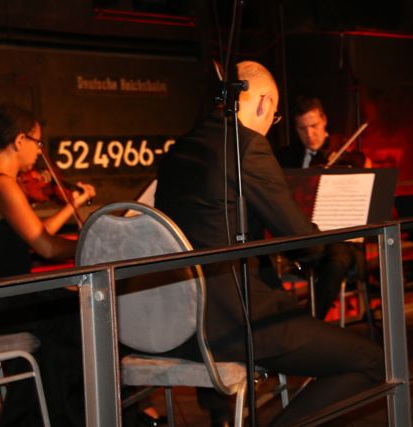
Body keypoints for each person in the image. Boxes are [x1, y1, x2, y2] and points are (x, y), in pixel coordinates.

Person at [155, 62, 384, 426]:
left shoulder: (180, 150)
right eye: (275, 116)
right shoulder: (247, 147)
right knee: (373, 362)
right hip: (236, 321)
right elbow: (305, 244)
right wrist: (313, 236)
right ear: (263, 102)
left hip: (176, 323)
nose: (270, 125)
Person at [0, 103, 96, 426]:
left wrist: (73, 204)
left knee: (66, 312)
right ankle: (80, 414)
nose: (39, 150)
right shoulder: (3, 184)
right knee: (86, 315)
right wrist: (94, 244)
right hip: (5, 302)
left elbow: (39, 233)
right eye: (37, 141)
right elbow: (46, 247)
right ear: (19, 140)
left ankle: (40, 414)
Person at [277, 96, 367, 319]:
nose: (310, 134)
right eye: (302, 128)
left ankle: (311, 323)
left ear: (324, 121)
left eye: (314, 126)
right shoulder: (286, 158)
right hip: (304, 238)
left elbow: (362, 181)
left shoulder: (345, 155)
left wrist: (344, 169)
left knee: (337, 259)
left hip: (341, 240)